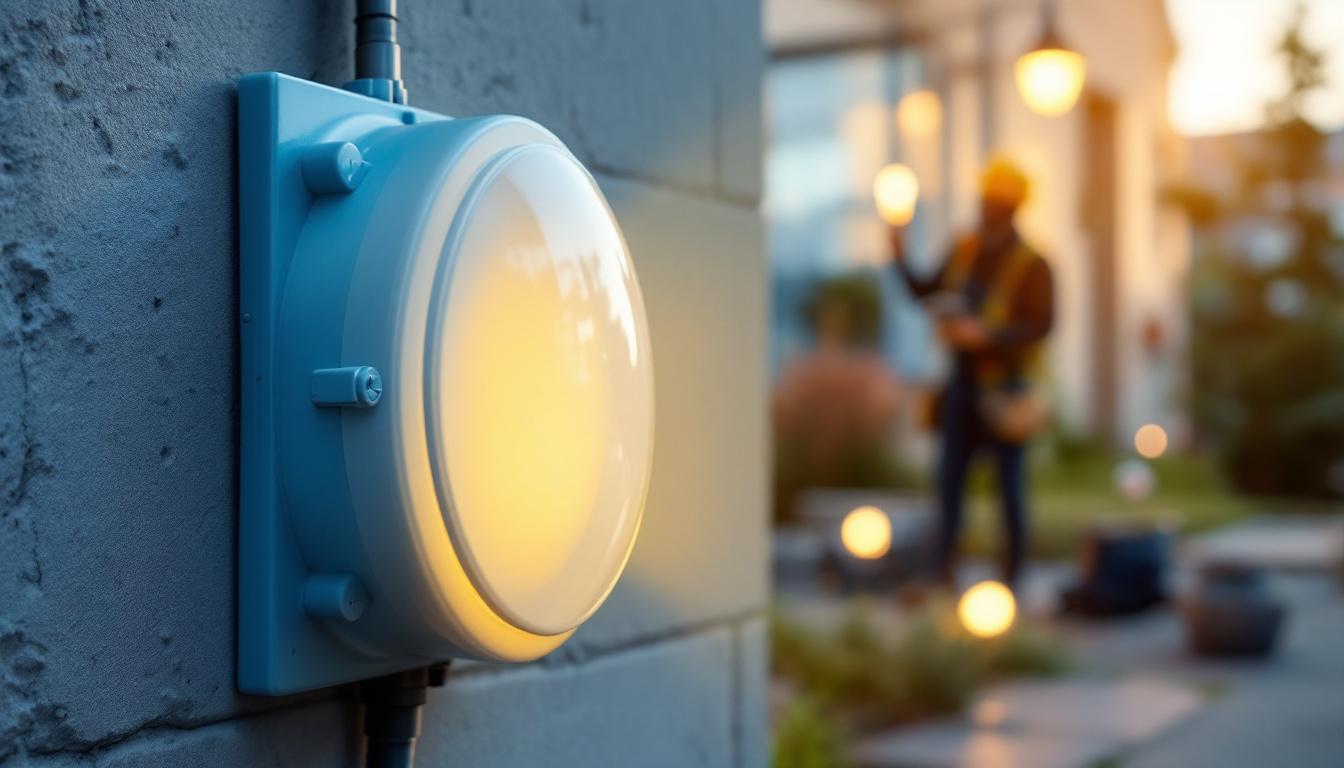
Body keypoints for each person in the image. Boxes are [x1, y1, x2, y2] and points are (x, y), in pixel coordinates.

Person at [888, 159, 1054, 592]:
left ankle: (1011, 581)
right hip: (960, 387)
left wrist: (989, 335)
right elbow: (925, 291)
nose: (985, 209)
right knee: (948, 485)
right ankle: (942, 577)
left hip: (1007, 389)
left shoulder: (1033, 263)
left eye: (995, 202)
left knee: (1009, 490)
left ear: (1013, 207)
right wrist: (898, 249)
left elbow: (1042, 324)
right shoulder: (965, 250)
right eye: (984, 200)